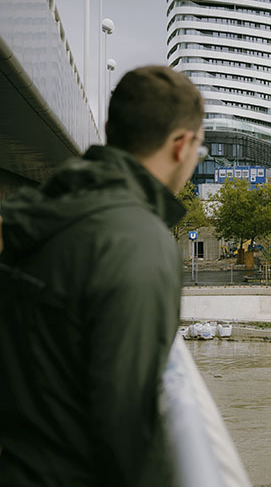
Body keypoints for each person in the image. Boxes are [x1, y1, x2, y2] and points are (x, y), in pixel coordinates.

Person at [0, 66, 205, 486]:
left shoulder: (47, 209)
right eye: (199, 146)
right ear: (182, 146)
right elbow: (125, 423)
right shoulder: (138, 242)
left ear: (110, 129)